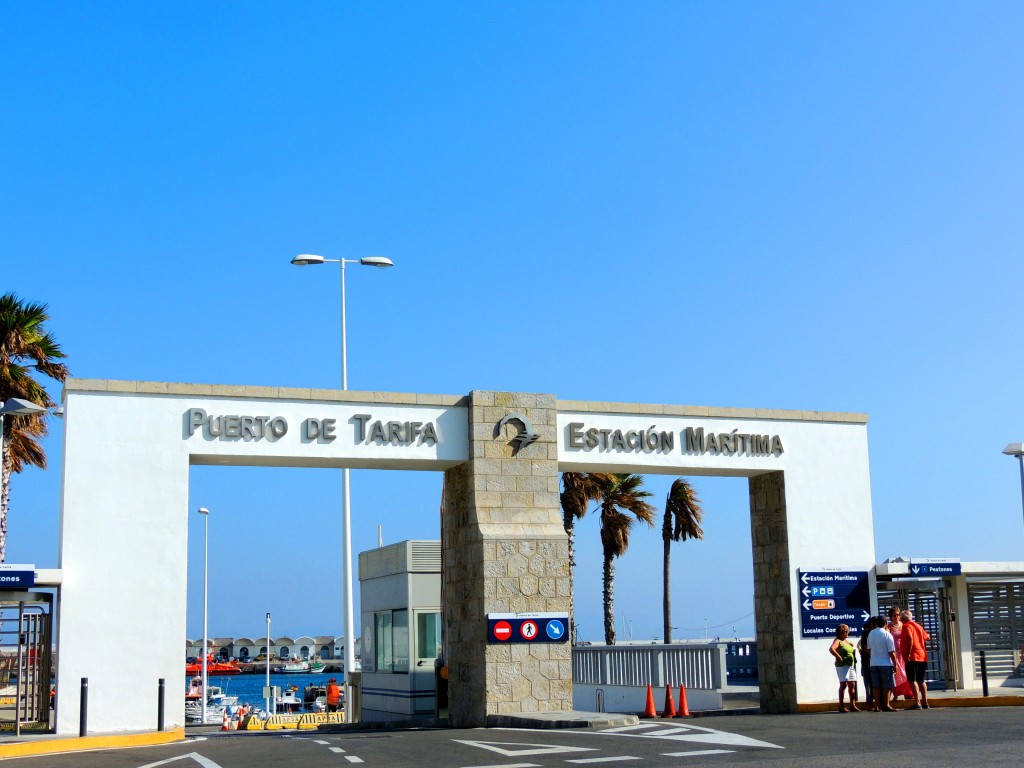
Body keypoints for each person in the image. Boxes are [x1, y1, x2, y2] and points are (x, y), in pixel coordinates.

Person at [866, 614, 899, 712]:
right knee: (886, 685)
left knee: (876, 686)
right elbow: (891, 652)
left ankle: (876, 705)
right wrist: (895, 664)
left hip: (873, 662)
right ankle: (886, 704)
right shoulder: (887, 634)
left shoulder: (871, 633)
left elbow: (869, 648)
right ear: (885, 623)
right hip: (885, 663)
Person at [900, 609, 931, 709]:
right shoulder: (918, 626)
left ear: (902, 618)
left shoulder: (906, 626)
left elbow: (909, 637)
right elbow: (927, 637)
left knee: (912, 680)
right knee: (921, 680)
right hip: (922, 656)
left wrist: (908, 652)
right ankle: (925, 702)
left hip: (912, 656)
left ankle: (917, 702)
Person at [829, 623, 860, 712]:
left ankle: (852, 705)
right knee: (843, 685)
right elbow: (831, 649)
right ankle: (841, 706)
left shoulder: (846, 641)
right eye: (847, 631)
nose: (848, 633)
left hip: (850, 665)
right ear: (843, 632)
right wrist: (838, 656)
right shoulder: (838, 640)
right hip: (842, 666)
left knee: (852, 684)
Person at [886, 607, 914, 700]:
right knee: (897, 674)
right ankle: (896, 693)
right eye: (894, 615)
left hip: (903, 652)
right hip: (894, 652)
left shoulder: (903, 625)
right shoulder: (889, 627)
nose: (896, 617)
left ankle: (907, 692)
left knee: (905, 672)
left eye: (898, 615)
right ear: (891, 616)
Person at [858, 616, 879, 709]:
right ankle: (869, 703)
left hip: (875, 662)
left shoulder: (877, 633)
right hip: (867, 663)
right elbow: (865, 648)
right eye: (874, 624)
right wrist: (874, 656)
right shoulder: (866, 633)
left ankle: (878, 702)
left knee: (876, 684)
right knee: (869, 684)